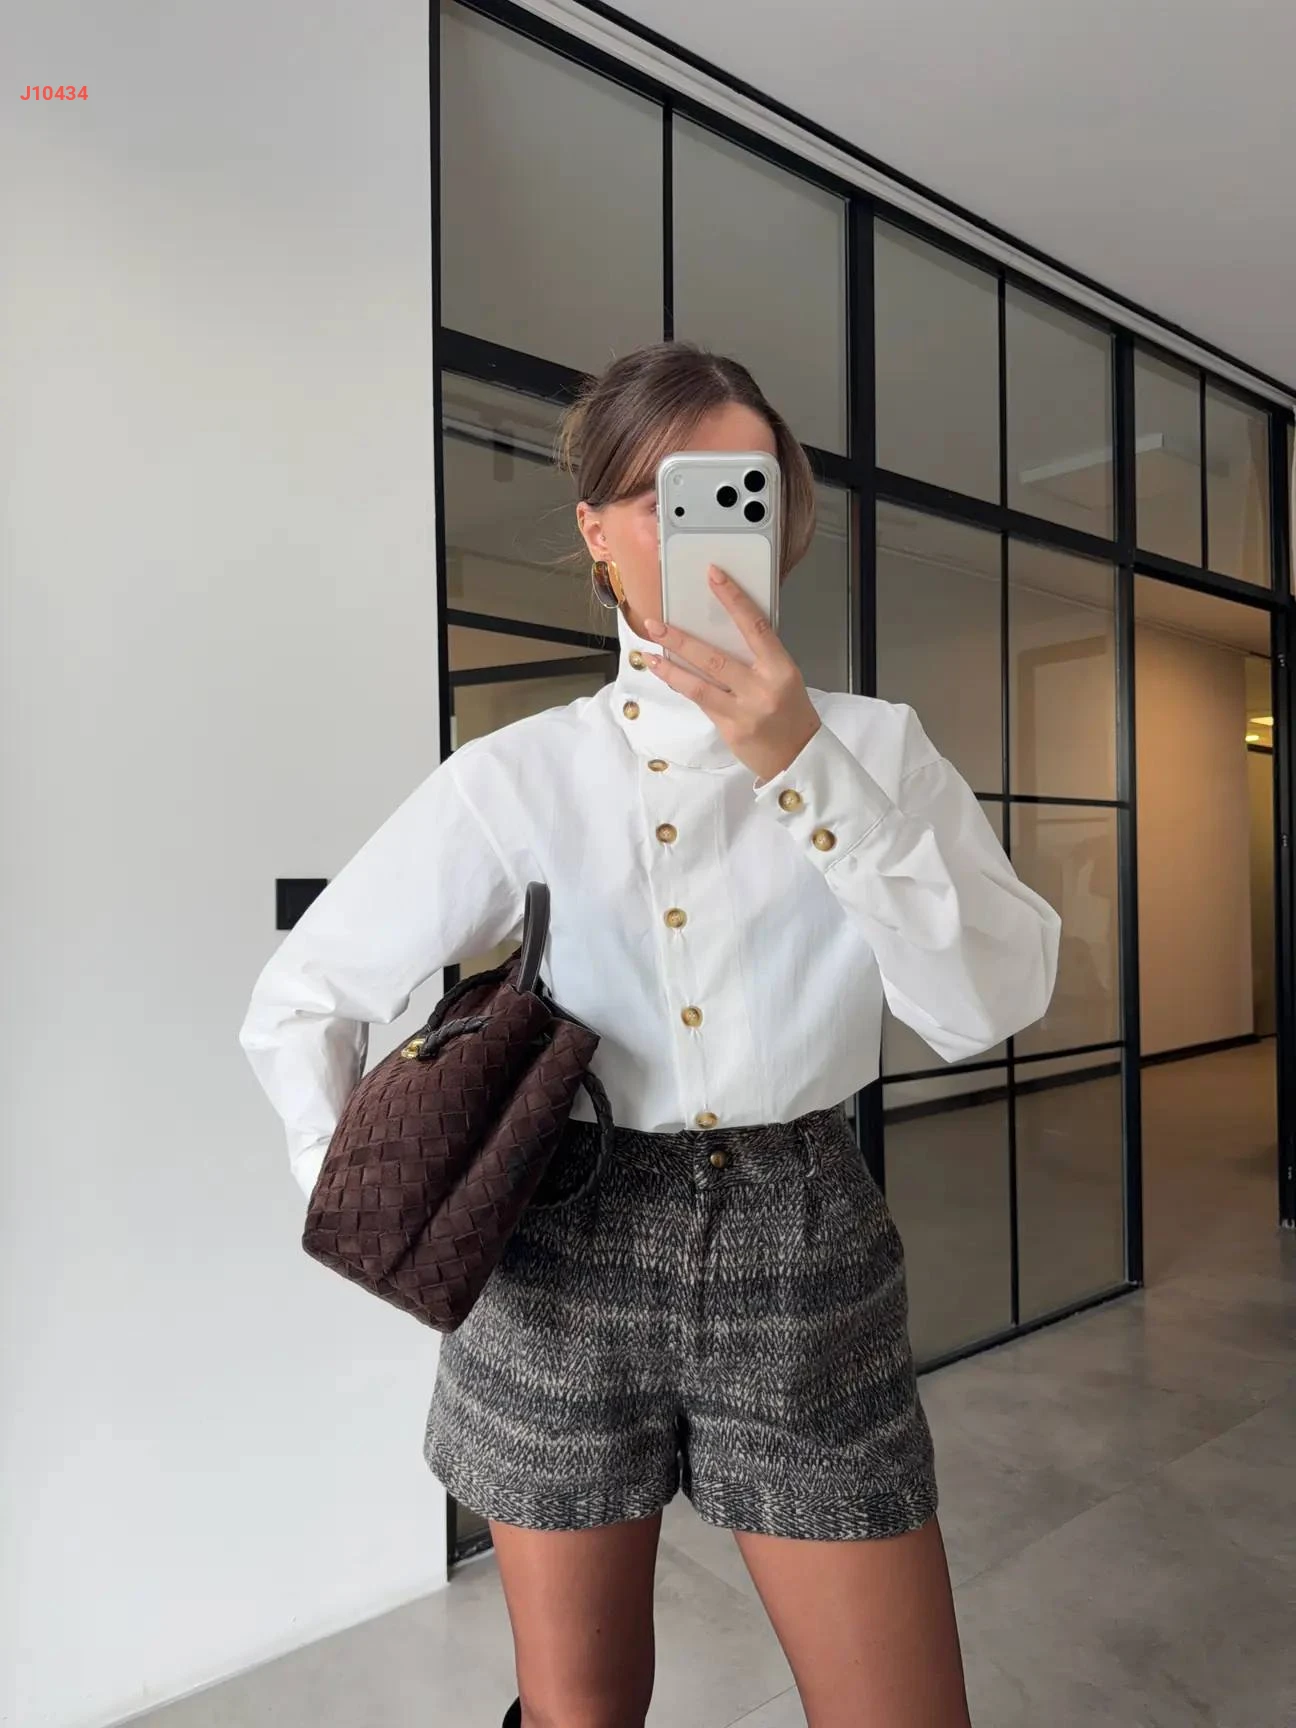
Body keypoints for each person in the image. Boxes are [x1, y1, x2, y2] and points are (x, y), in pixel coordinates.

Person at [238, 340, 1061, 1728]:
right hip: (556, 1252)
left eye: (746, 490)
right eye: (668, 496)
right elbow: (303, 996)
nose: (712, 526)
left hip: (803, 1243)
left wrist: (804, 769)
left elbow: (988, 1003)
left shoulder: (879, 749)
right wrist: (385, 1211)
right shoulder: (518, 776)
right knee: (580, 1715)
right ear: (598, 531)